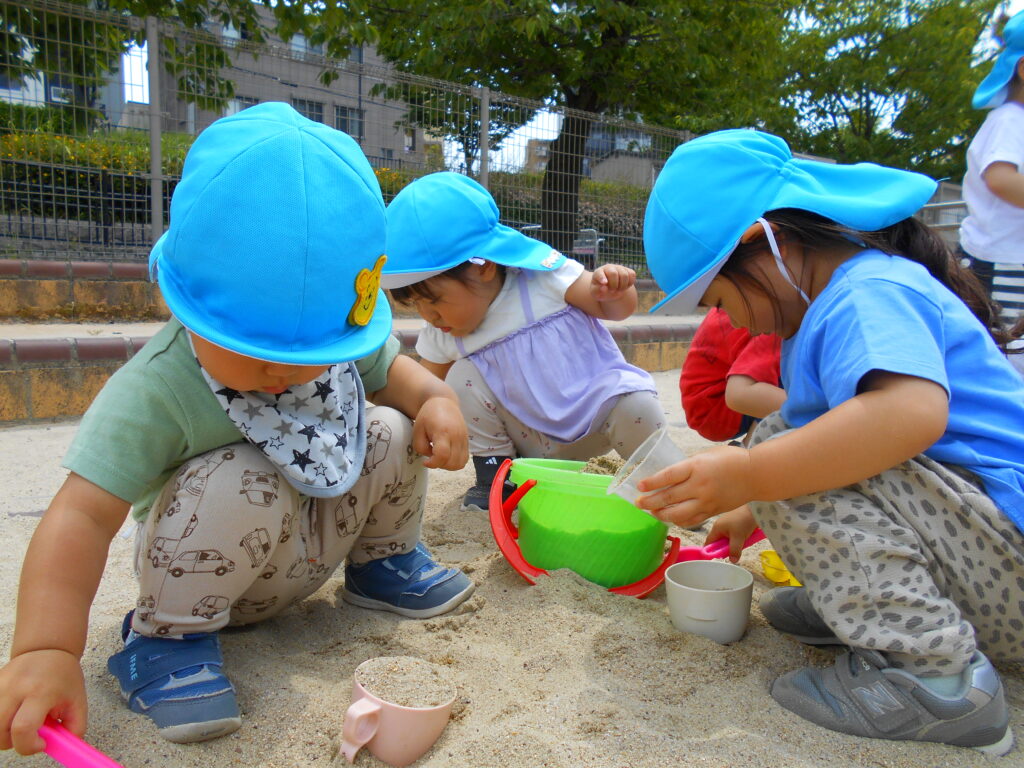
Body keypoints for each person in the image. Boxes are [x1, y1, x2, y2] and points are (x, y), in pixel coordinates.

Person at [0, 103, 475, 755]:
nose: (288, 375)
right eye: (258, 354)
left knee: (391, 426)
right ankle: (162, 646)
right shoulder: (158, 387)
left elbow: (394, 371)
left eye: (311, 356)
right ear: (185, 304)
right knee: (242, 474)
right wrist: (46, 647)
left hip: (313, 550)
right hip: (202, 581)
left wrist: (437, 400)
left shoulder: (328, 339)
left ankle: (383, 566)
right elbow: (80, 515)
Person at [639, 128, 1024, 754]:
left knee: (778, 444)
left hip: (1008, 561)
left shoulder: (867, 290)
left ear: (762, 240)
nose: (727, 322)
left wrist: (750, 476)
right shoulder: (826, 310)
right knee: (782, 449)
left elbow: (908, 414)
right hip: (984, 555)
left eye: (718, 299)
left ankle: (938, 678)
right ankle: (876, 609)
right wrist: (749, 504)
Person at [381, 172, 665, 510]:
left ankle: (666, 479)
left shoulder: (544, 280)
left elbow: (615, 310)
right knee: (459, 379)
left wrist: (617, 288)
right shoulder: (444, 333)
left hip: (597, 414)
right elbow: (421, 390)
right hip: (529, 445)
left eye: (434, 300)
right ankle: (496, 481)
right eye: (415, 305)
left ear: (482, 267)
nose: (428, 316)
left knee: (637, 403)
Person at [958, 10, 1024, 307]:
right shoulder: (1010, 119)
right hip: (1000, 261)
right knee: (1006, 345)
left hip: (1011, 258)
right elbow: (1000, 179)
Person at [679, 306, 784, 443]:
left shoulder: (736, 301)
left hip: (703, 404)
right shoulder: (772, 319)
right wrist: (813, 407)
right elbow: (740, 394)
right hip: (718, 409)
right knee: (796, 368)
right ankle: (751, 449)